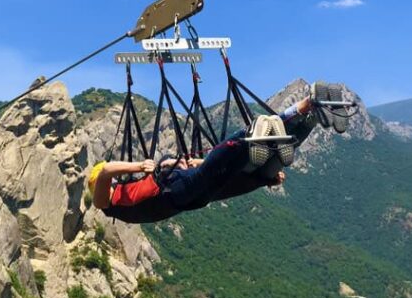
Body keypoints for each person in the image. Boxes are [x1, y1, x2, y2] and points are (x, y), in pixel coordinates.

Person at [88, 82, 354, 224]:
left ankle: (302, 107)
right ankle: (309, 119)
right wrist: (140, 168)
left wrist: (141, 168)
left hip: (177, 190)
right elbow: (106, 171)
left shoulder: (120, 197)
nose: (110, 182)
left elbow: (107, 169)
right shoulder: (106, 205)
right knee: (241, 179)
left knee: (224, 160)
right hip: (183, 198)